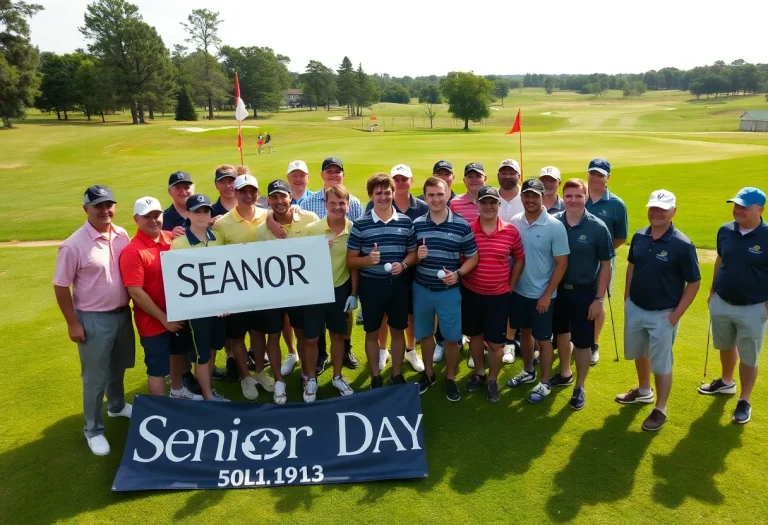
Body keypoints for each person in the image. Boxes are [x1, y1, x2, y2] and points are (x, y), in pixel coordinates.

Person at [53, 185, 135, 456]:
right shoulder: (74, 244)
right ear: (85, 209)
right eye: (98, 205)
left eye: (109, 204)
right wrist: (72, 323)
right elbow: (61, 286)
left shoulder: (122, 234)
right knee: (94, 378)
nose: (105, 210)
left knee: (118, 367)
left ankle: (116, 406)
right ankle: (94, 430)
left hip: (123, 314)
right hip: (92, 319)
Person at [616, 190, 701, 431]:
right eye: (653, 208)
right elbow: (632, 267)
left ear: (673, 211)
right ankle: (644, 391)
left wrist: (676, 315)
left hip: (663, 313)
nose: (657, 213)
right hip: (636, 308)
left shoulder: (682, 245)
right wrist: (627, 298)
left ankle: (660, 409)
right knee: (639, 353)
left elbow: (694, 282)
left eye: (663, 209)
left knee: (662, 363)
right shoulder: (640, 236)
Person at [119, 197, 201, 400]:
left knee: (177, 355)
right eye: (147, 217)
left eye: (157, 215)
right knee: (157, 369)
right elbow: (136, 292)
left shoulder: (170, 240)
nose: (153, 220)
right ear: (136, 219)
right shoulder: (133, 251)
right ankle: (161, 410)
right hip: (153, 321)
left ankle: (176, 391)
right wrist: (164, 319)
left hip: (178, 314)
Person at [700, 187, 768, 424]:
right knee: (726, 345)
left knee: (749, 355)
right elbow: (721, 259)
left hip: (753, 306)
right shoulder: (725, 230)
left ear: (760, 209)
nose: (737, 210)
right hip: (722, 301)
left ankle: (744, 399)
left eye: (744, 206)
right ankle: (727, 382)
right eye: (736, 205)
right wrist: (712, 291)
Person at [347, 173, 418, 388]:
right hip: (371, 287)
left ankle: (396, 374)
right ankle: (376, 376)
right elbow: (350, 261)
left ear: (393, 193)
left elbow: (413, 253)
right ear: (371, 195)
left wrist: (404, 264)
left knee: (398, 331)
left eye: (388, 192)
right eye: (379, 193)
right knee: (372, 332)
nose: (384, 196)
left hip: (398, 286)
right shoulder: (361, 224)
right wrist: (368, 259)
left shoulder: (406, 222)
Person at [414, 176, 479, 402]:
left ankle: (450, 377)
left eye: (440, 194)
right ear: (425, 196)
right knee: (424, 334)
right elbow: (409, 256)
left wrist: (459, 273)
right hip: (422, 288)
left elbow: (473, 257)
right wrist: (416, 256)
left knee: (452, 338)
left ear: (448, 194)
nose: (435, 199)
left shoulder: (461, 224)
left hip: (449, 292)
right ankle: (429, 373)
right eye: (430, 195)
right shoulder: (417, 224)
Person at [550, 179, 614, 410]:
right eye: (569, 196)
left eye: (578, 196)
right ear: (563, 197)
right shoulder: (554, 222)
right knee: (561, 334)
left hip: (584, 292)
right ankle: (565, 373)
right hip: (558, 291)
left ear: (586, 197)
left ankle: (580, 386)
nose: (573, 200)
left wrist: (599, 299)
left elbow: (606, 265)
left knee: (583, 343)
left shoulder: (597, 227)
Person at [212, 174, 275, 401]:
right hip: (236, 290)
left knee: (258, 333)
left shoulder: (268, 215)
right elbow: (216, 258)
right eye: (243, 192)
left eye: (253, 191)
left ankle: (259, 372)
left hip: (262, 289)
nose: (248, 196)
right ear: (235, 193)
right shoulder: (222, 223)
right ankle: (245, 376)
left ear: (258, 193)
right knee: (237, 337)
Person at [506, 179, 569, 404]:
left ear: (543, 197)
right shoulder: (515, 222)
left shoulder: (554, 225)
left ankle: (544, 382)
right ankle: (528, 371)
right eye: (527, 195)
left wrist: (546, 294)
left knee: (543, 340)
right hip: (520, 292)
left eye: (535, 195)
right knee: (524, 333)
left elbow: (561, 263)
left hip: (543, 295)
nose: (530, 200)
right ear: (521, 197)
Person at [256, 180, 319, 402]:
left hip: (302, 291)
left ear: (290, 197)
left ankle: (307, 376)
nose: (279, 201)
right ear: (268, 200)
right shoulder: (262, 229)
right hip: (274, 292)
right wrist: (268, 219)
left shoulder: (310, 219)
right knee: (273, 335)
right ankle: (279, 382)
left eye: (283, 196)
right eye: (274, 197)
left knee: (303, 334)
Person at [460, 185, 525, 403]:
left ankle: (493, 379)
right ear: (477, 204)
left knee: (496, 344)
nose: (488, 206)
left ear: (498, 204)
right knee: (475, 337)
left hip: (499, 297)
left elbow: (519, 258)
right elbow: (463, 259)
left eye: (492, 202)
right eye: (484, 202)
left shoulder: (510, 231)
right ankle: (479, 372)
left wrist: (511, 285)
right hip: (472, 294)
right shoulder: (468, 230)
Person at [365, 164, 429, 374]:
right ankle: (383, 350)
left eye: (404, 179)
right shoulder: (371, 206)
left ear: (411, 181)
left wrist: (405, 263)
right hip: (381, 277)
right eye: (397, 179)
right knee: (383, 316)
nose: (401, 183)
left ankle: (411, 350)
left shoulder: (421, 206)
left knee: (408, 316)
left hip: (411, 273)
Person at [301, 157, 363, 373]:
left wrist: (354, 293)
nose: (338, 207)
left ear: (348, 204)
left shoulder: (354, 226)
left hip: (340, 287)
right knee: (312, 337)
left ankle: (338, 373)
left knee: (338, 334)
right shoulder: (311, 228)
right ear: (325, 205)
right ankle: (310, 375)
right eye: (333, 204)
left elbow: (354, 263)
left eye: (342, 203)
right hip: (315, 290)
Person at [170, 194, 230, 402]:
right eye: (197, 211)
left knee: (212, 351)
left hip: (219, 308)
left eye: (205, 211)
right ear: (187, 214)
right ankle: (207, 398)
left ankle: (209, 390)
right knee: (203, 355)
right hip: (197, 312)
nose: (202, 215)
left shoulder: (217, 238)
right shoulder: (178, 244)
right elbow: (178, 283)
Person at [585, 158, 628, 365]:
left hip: (603, 263)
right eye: (592, 173)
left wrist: (601, 253)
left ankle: (593, 344)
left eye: (600, 174)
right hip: (575, 260)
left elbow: (620, 237)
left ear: (608, 177)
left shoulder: (616, 204)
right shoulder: (577, 197)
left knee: (598, 300)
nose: (595, 178)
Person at [162, 171, 195, 237]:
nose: (183, 192)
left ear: (193, 188)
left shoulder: (207, 211)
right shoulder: (163, 219)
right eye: (178, 188)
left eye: (186, 187)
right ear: (169, 191)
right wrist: (169, 235)